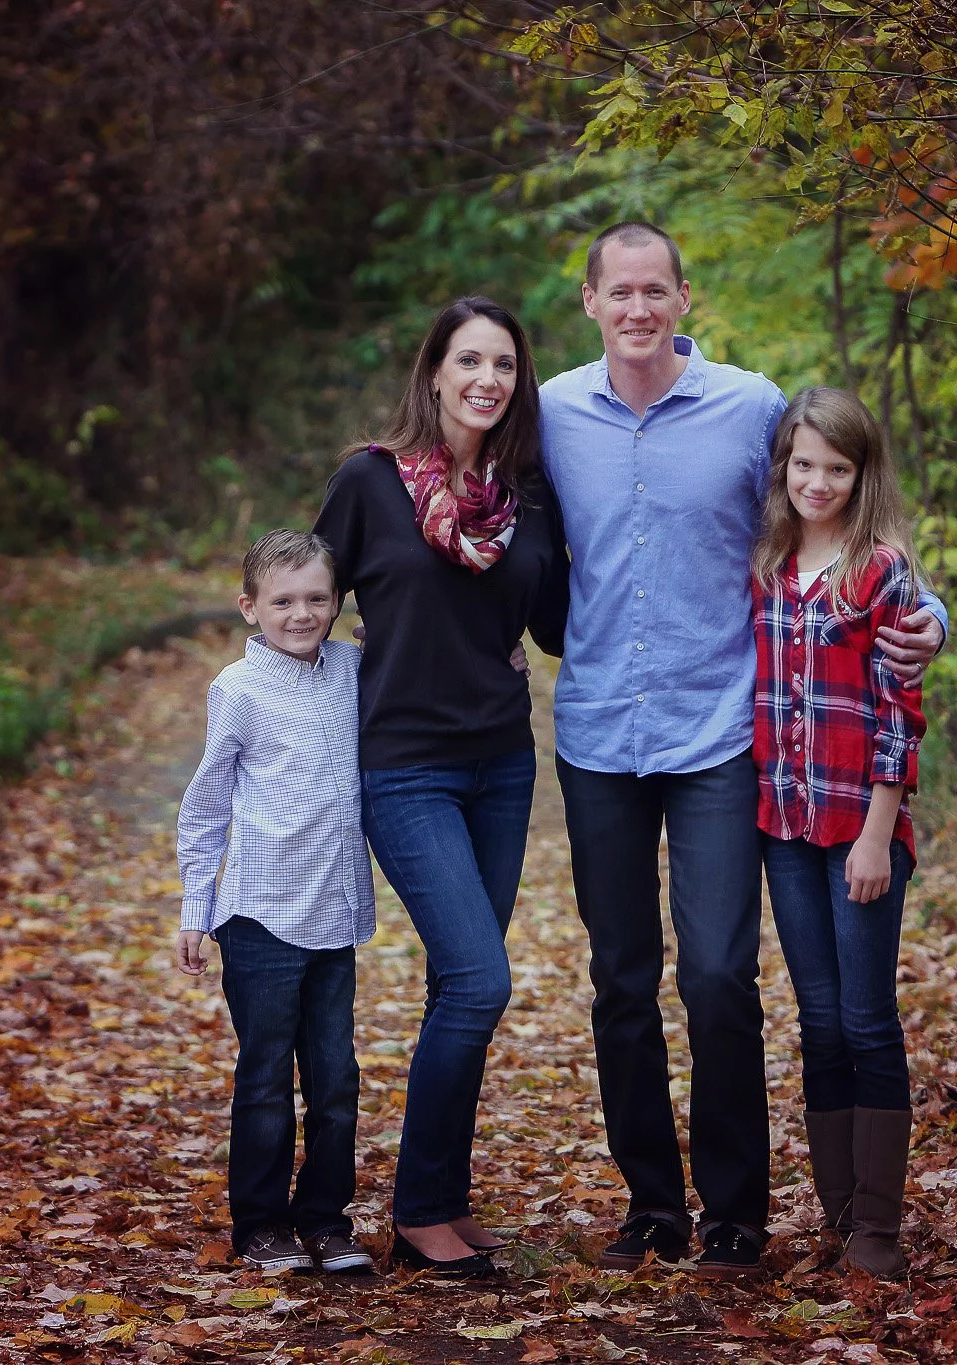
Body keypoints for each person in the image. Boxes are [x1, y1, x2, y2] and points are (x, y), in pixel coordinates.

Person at [538, 222, 947, 1278]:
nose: (636, 309)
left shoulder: (747, 406)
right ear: (588, 301)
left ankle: (734, 1211)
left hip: (721, 734)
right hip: (594, 735)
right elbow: (472, 491)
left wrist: (927, 615)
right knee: (621, 981)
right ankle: (651, 1206)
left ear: (684, 297)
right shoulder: (549, 415)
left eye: (653, 291)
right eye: (617, 292)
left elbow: (837, 514)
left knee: (718, 975)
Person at [313, 296, 567, 1278]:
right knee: (479, 979)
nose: (486, 380)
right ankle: (419, 1213)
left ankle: (442, 1199)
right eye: (468, 360)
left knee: (457, 987)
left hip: (500, 767)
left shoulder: (530, 497)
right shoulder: (368, 484)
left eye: (503, 364)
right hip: (403, 766)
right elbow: (302, 604)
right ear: (433, 372)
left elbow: (554, 624)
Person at [753, 388, 927, 1277]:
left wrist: (878, 833)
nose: (817, 481)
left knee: (866, 1019)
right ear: (784, 466)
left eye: (837, 467)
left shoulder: (880, 569)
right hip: (784, 825)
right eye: (804, 463)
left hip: (860, 828)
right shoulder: (768, 560)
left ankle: (879, 1230)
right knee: (817, 1019)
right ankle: (838, 1208)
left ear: (862, 475)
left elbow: (902, 708)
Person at [173, 528, 376, 1275]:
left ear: (337, 602)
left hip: (334, 912)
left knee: (336, 1078)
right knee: (265, 1078)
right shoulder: (238, 689)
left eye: (317, 597)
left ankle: (324, 1218)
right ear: (249, 606)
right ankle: (260, 1224)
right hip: (259, 914)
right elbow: (206, 805)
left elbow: (421, 666)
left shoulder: (353, 669)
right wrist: (197, 905)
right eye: (283, 600)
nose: (302, 612)